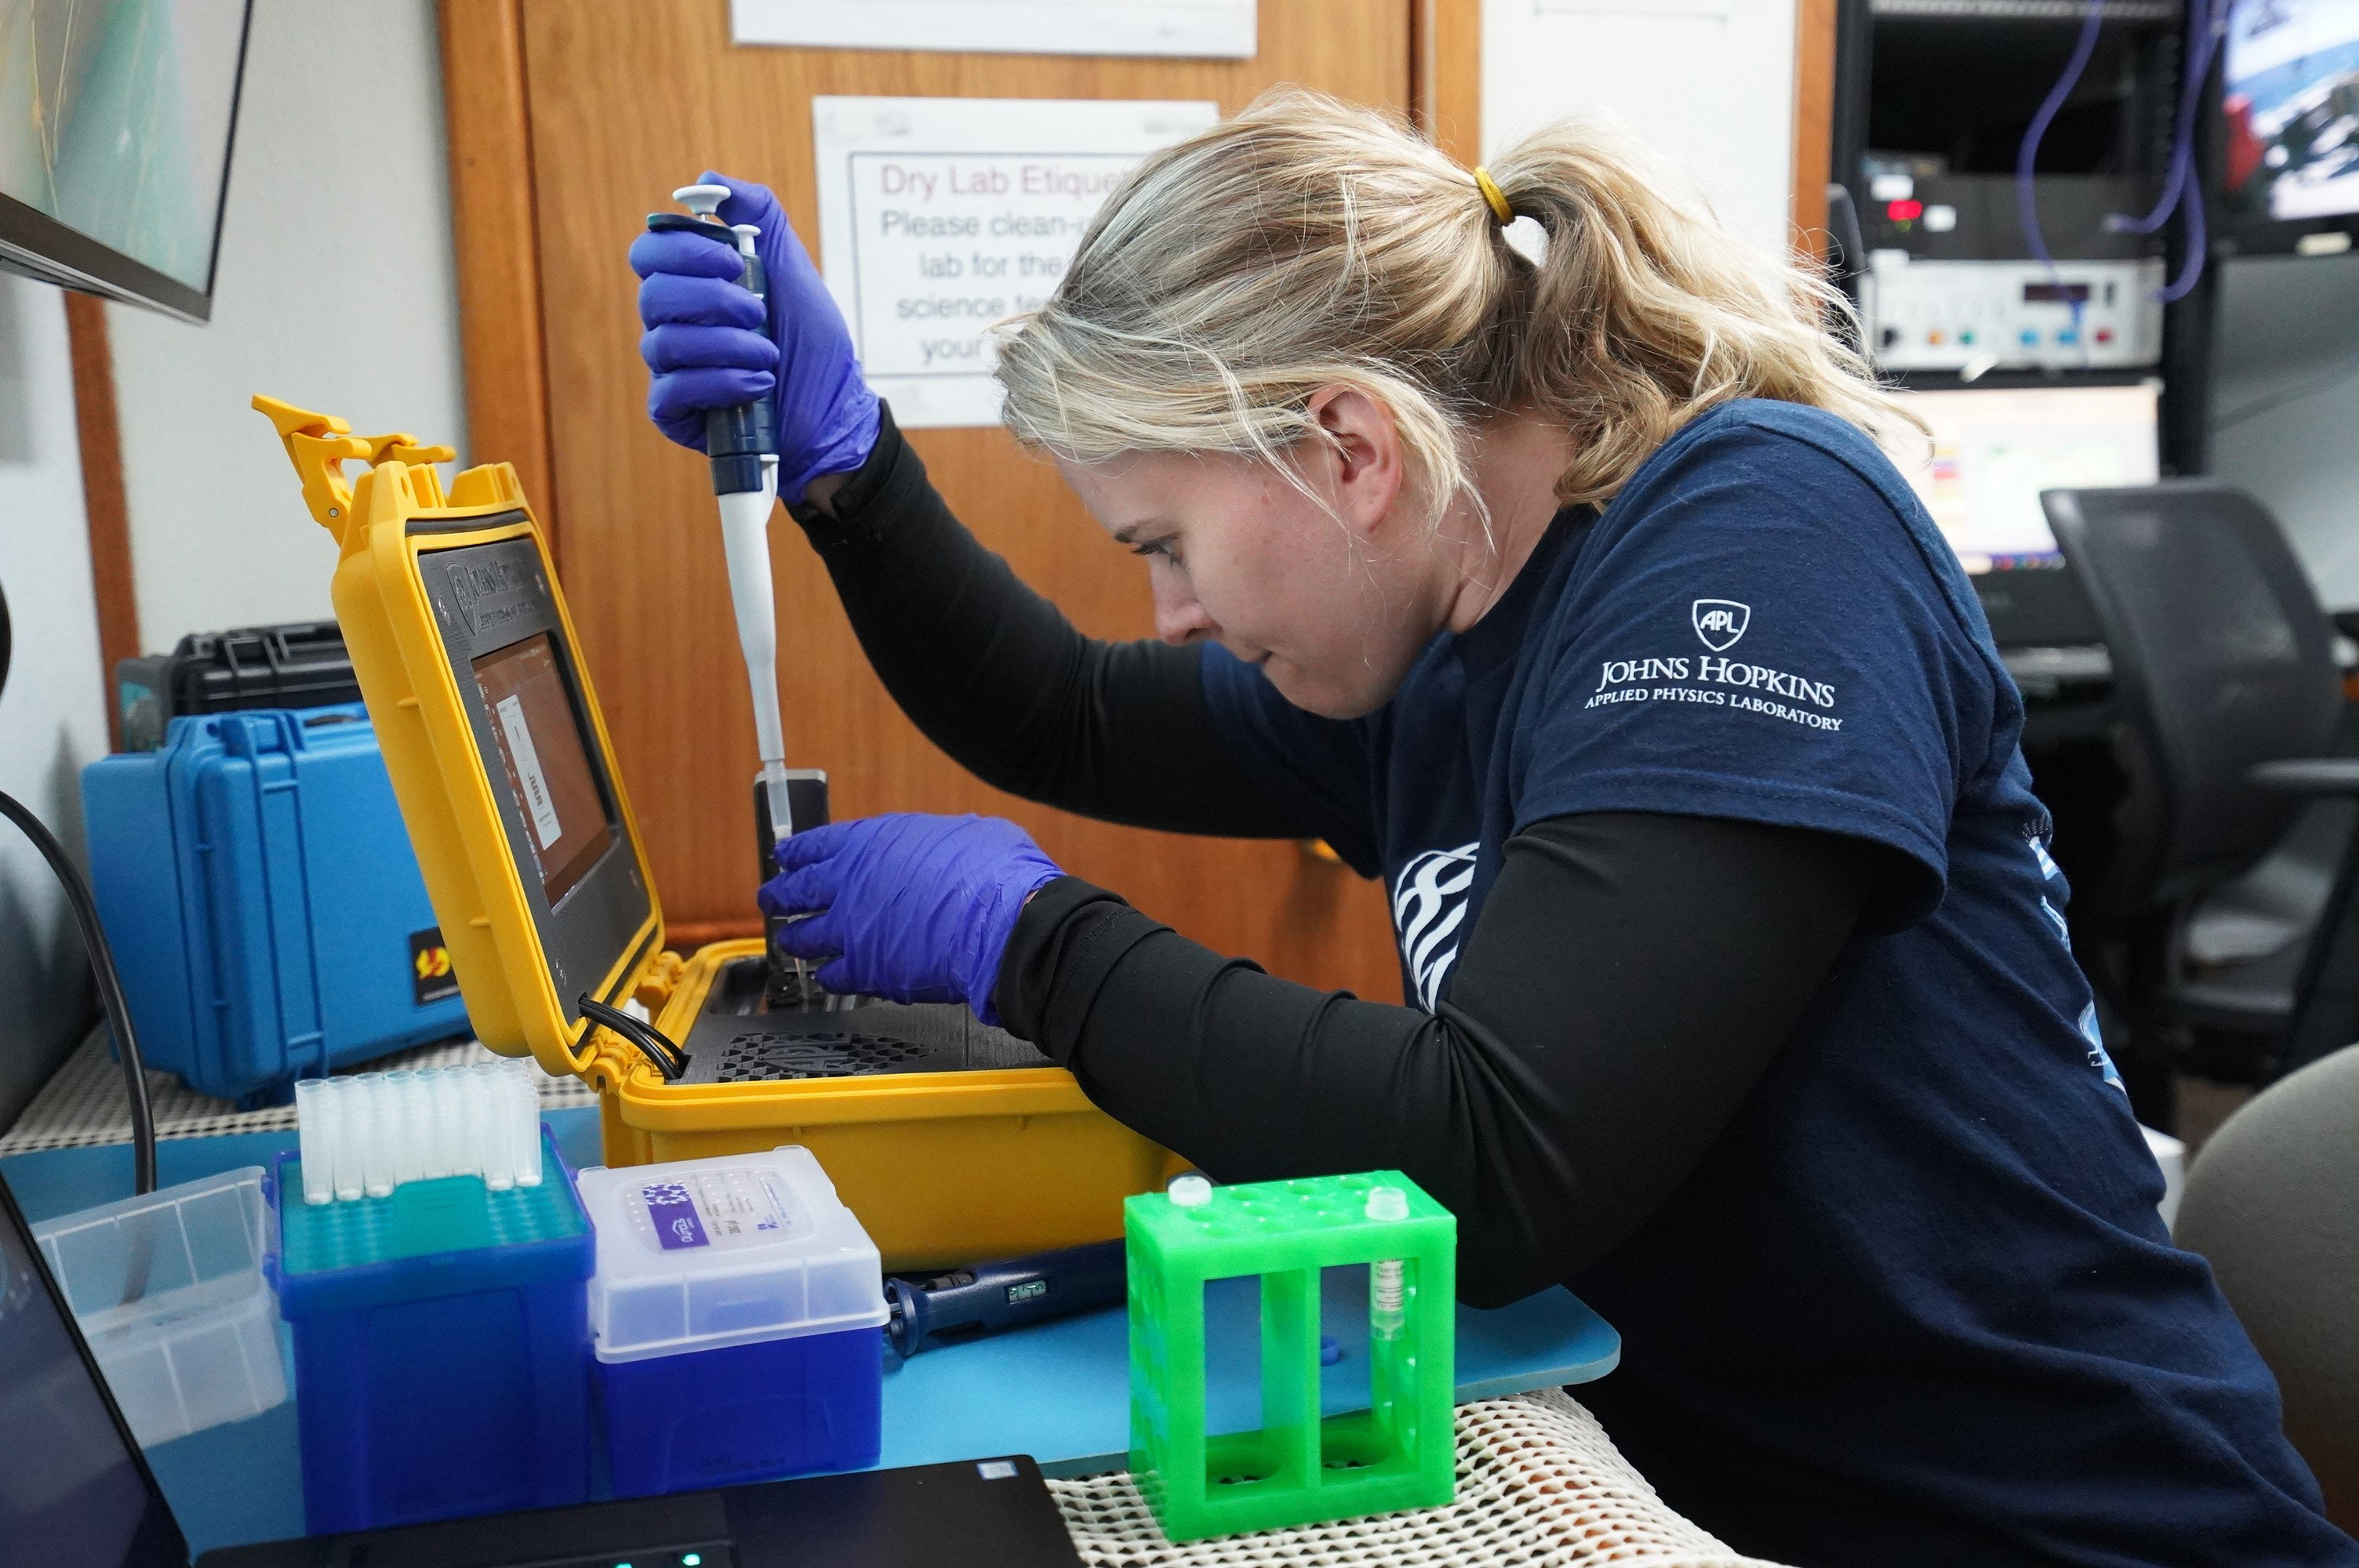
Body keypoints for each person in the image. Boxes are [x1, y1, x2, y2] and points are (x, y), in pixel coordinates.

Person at [630, 89, 2356, 1566]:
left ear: (1351, 449)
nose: (1165, 612)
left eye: (1164, 541)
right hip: (1702, 1489)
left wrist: (1034, 942)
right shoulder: (1438, 640)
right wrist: (842, 471)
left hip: (2036, 1521)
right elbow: (1059, 713)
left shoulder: (1757, 539)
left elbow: (1499, 1158)